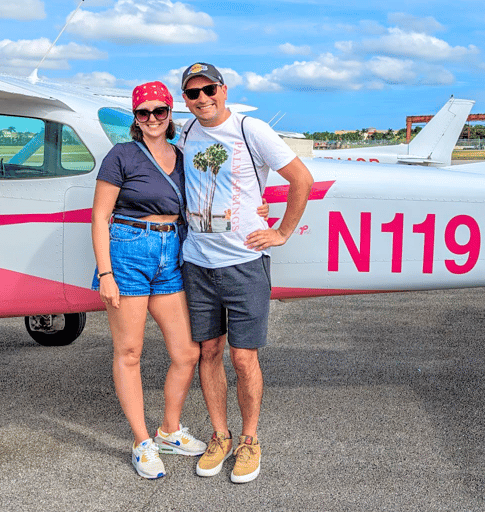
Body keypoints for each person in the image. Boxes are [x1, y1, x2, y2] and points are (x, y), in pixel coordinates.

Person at [177, 62, 314, 483]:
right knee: (209, 353)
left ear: (223, 88)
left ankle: (249, 440)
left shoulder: (250, 129)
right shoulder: (183, 132)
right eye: (193, 93)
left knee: (243, 356)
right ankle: (220, 434)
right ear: (185, 98)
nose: (203, 98)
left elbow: (300, 178)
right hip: (198, 262)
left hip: (243, 263)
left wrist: (282, 231)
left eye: (209, 89)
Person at [91, 81, 207, 479]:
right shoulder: (121, 154)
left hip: (170, 252)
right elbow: (99, 217)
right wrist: (105, 273)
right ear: (135, 119)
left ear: (171, 115)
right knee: (130, 352)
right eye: (144, 113)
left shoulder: (181, 155)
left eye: (160, 112)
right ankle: (142, 441)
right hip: (128, 251)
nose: (153, 119)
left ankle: (169, 430)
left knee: (187, 352)